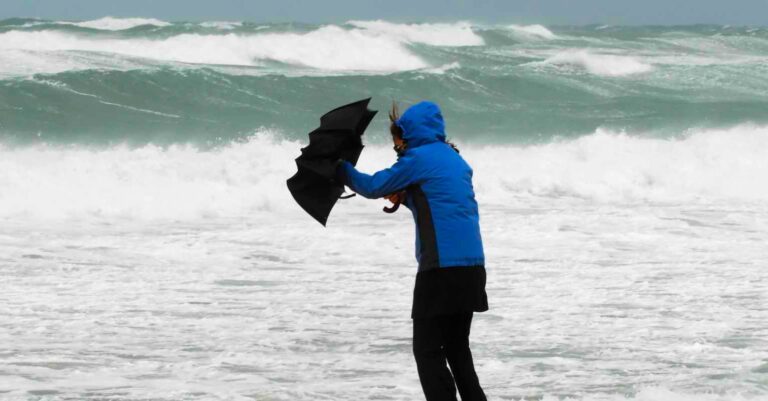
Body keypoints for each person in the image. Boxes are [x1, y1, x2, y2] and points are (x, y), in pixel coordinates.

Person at [336, 101, 489, 401]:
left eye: (397, 146)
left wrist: (339, 167)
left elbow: (370, 186)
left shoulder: (417, 158)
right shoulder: (455, 159)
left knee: (427, 350)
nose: (398, 153)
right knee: (457, 349)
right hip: (472, 268)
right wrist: (407, 197)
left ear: (409, 136)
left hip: (441, 268)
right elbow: (442, 200)